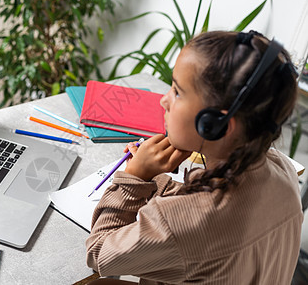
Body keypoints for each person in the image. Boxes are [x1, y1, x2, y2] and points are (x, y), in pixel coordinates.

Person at [86, 31, 303, 284]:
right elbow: (204, 208)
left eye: (177, 92)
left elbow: (99, 253)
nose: (163, 100)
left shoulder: (180, 223)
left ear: (215, 125)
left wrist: (133, 178)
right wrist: (153, 176)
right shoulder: (282, 167)